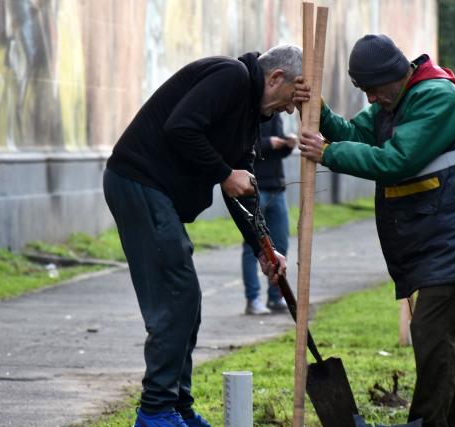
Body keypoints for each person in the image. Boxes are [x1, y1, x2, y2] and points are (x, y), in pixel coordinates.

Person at [103, 44, 309, 427]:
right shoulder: (229, 76)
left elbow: (242, 189)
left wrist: (264, 248)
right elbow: (180, 127)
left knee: (188, 301)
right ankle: (155, 412)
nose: (290, 110)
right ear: (276, 77)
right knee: (176, 296)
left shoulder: (249, 115)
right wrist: (223, 173)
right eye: (290, 98)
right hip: (138, 181)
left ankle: (176, 407)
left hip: (155, 191)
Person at [298, 34, 455, 427]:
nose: (370, 99)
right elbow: (354, 134)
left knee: (431, 335)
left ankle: (424, 421)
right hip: (434, 240)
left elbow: (398, 161)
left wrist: (328, 154)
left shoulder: (435, 98)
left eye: (372, 89)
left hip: (454, 242)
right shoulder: (395, 101)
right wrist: (316, 109)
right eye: (364, 91)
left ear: (394, 75)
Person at [242, 112, 297, 315]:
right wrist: (268, 143)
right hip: (253, 188)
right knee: (254, 248)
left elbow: (276, 152)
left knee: (280, 245)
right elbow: (241, 149)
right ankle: (253, 299)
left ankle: (276, 297)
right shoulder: (247, 112)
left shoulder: (276, 115)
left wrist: (286, 145)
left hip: (277, 188)